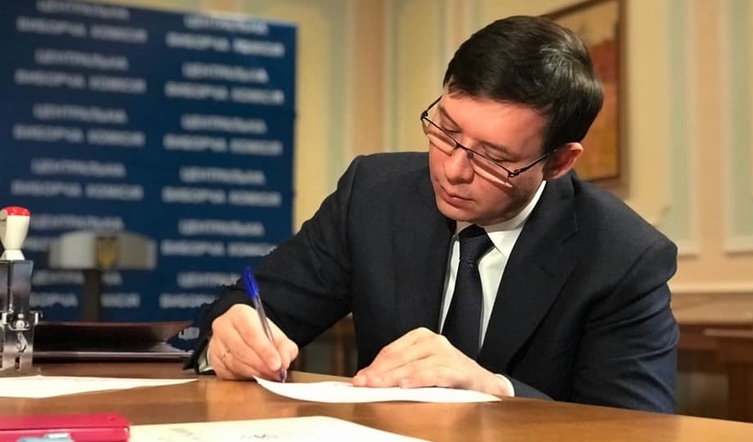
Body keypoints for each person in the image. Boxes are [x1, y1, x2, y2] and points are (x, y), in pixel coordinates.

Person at [185, 15, 679, 413]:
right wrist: (232, 337)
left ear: (560, 162)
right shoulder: (374, 195)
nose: (453, 170)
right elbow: (249, 306)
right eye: (445, 130)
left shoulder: (622, 257)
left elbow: (638, 428)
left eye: (494, 158)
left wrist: (494, 390)